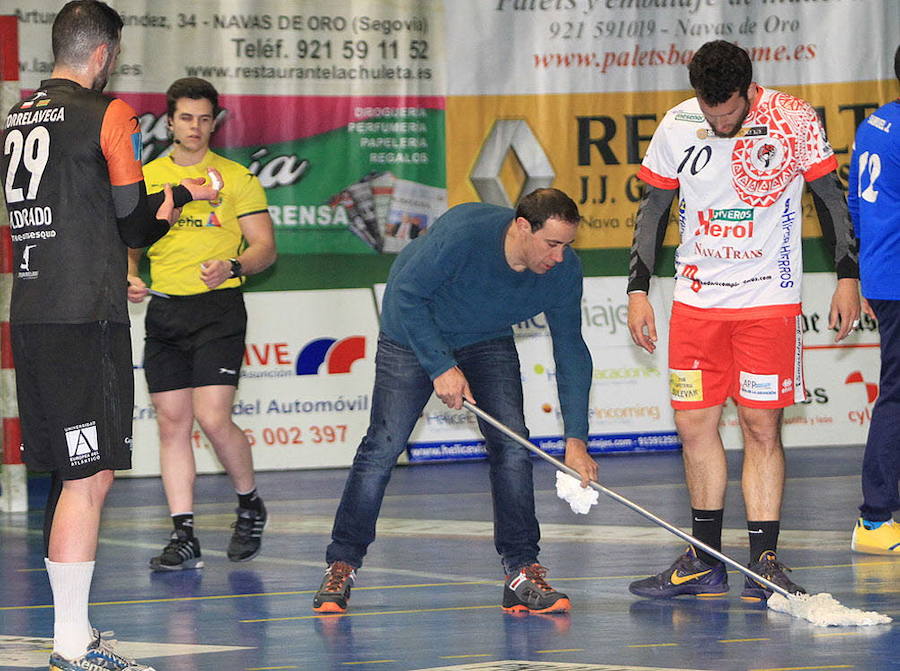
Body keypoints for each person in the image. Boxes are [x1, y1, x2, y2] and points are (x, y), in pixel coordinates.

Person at [0, 2, 219, 669]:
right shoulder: (111, 113)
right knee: (88, 477)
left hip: (32, 310)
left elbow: (63, 213)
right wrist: (184, 197)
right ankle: (71, 646)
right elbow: (133, 223)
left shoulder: (17, 116)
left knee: (74, 475)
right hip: (83, 321)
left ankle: (74, 634)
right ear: (104, 53)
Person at [625, 40, 860, 601]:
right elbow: (654, 209)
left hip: (767, 304)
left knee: (760, 428)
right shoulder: (679, 124)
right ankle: (704, 560)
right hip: (696, 305)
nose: (720, 121)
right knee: (694, 429)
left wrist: (848, 276)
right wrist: (638, 290)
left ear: (750, 90)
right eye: (711, 111)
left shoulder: (792, 118)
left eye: (729, 112)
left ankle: (764, 562)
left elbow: (829, 198)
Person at [312, 188, 598, 614]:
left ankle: (522, 570)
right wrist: (440, 365)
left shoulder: (562, 271)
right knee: (382, 447)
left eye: (566, 245)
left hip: (485, 337)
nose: (558, 256)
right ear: (522, 227)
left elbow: (571, 347)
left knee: (513, 445)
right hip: (412, 333)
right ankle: (342, 563)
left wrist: (576, 438)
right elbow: (408, 295)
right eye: (551, 244)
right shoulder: (465, 234)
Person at [127, 77, 276, 571]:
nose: (194, 127)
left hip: (219, 310)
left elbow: (263, 249)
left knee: (212, 418)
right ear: (169, 121)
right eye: (185, 118)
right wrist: (129, 276)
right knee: (173, 425)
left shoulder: (237, 178)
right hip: (166, 310)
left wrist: (232, 266)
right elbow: (129, 244)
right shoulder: (147, 177)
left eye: (204, 118)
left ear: (215, 122)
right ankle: (183, 533)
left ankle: (249, 501)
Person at [846, 45, 900, 555]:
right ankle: (876, 518)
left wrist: (866, 273)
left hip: (884, 274)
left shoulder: (875, 125)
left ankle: (879, 515)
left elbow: (854, 207)